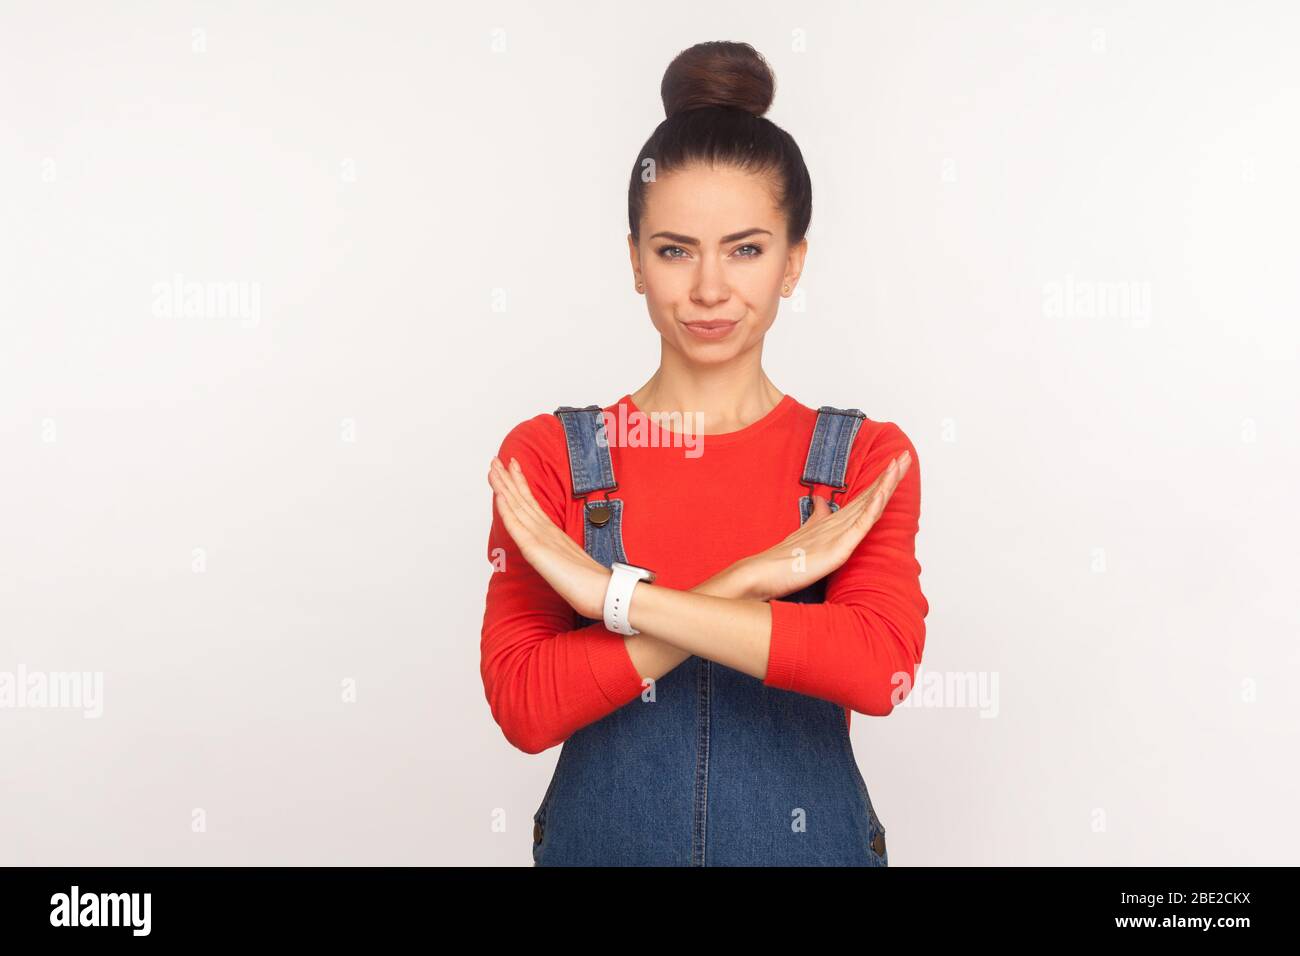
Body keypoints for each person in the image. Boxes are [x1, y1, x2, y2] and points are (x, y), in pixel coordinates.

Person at [480, 40, 928, 866]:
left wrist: (609, 596)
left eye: (747, 249)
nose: (711, 289)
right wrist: (746, 581)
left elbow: (879, 670)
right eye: (675, 250)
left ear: (794, 262)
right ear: (635, 262)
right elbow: (525, 707)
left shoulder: (865, 459)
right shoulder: (548, 457)